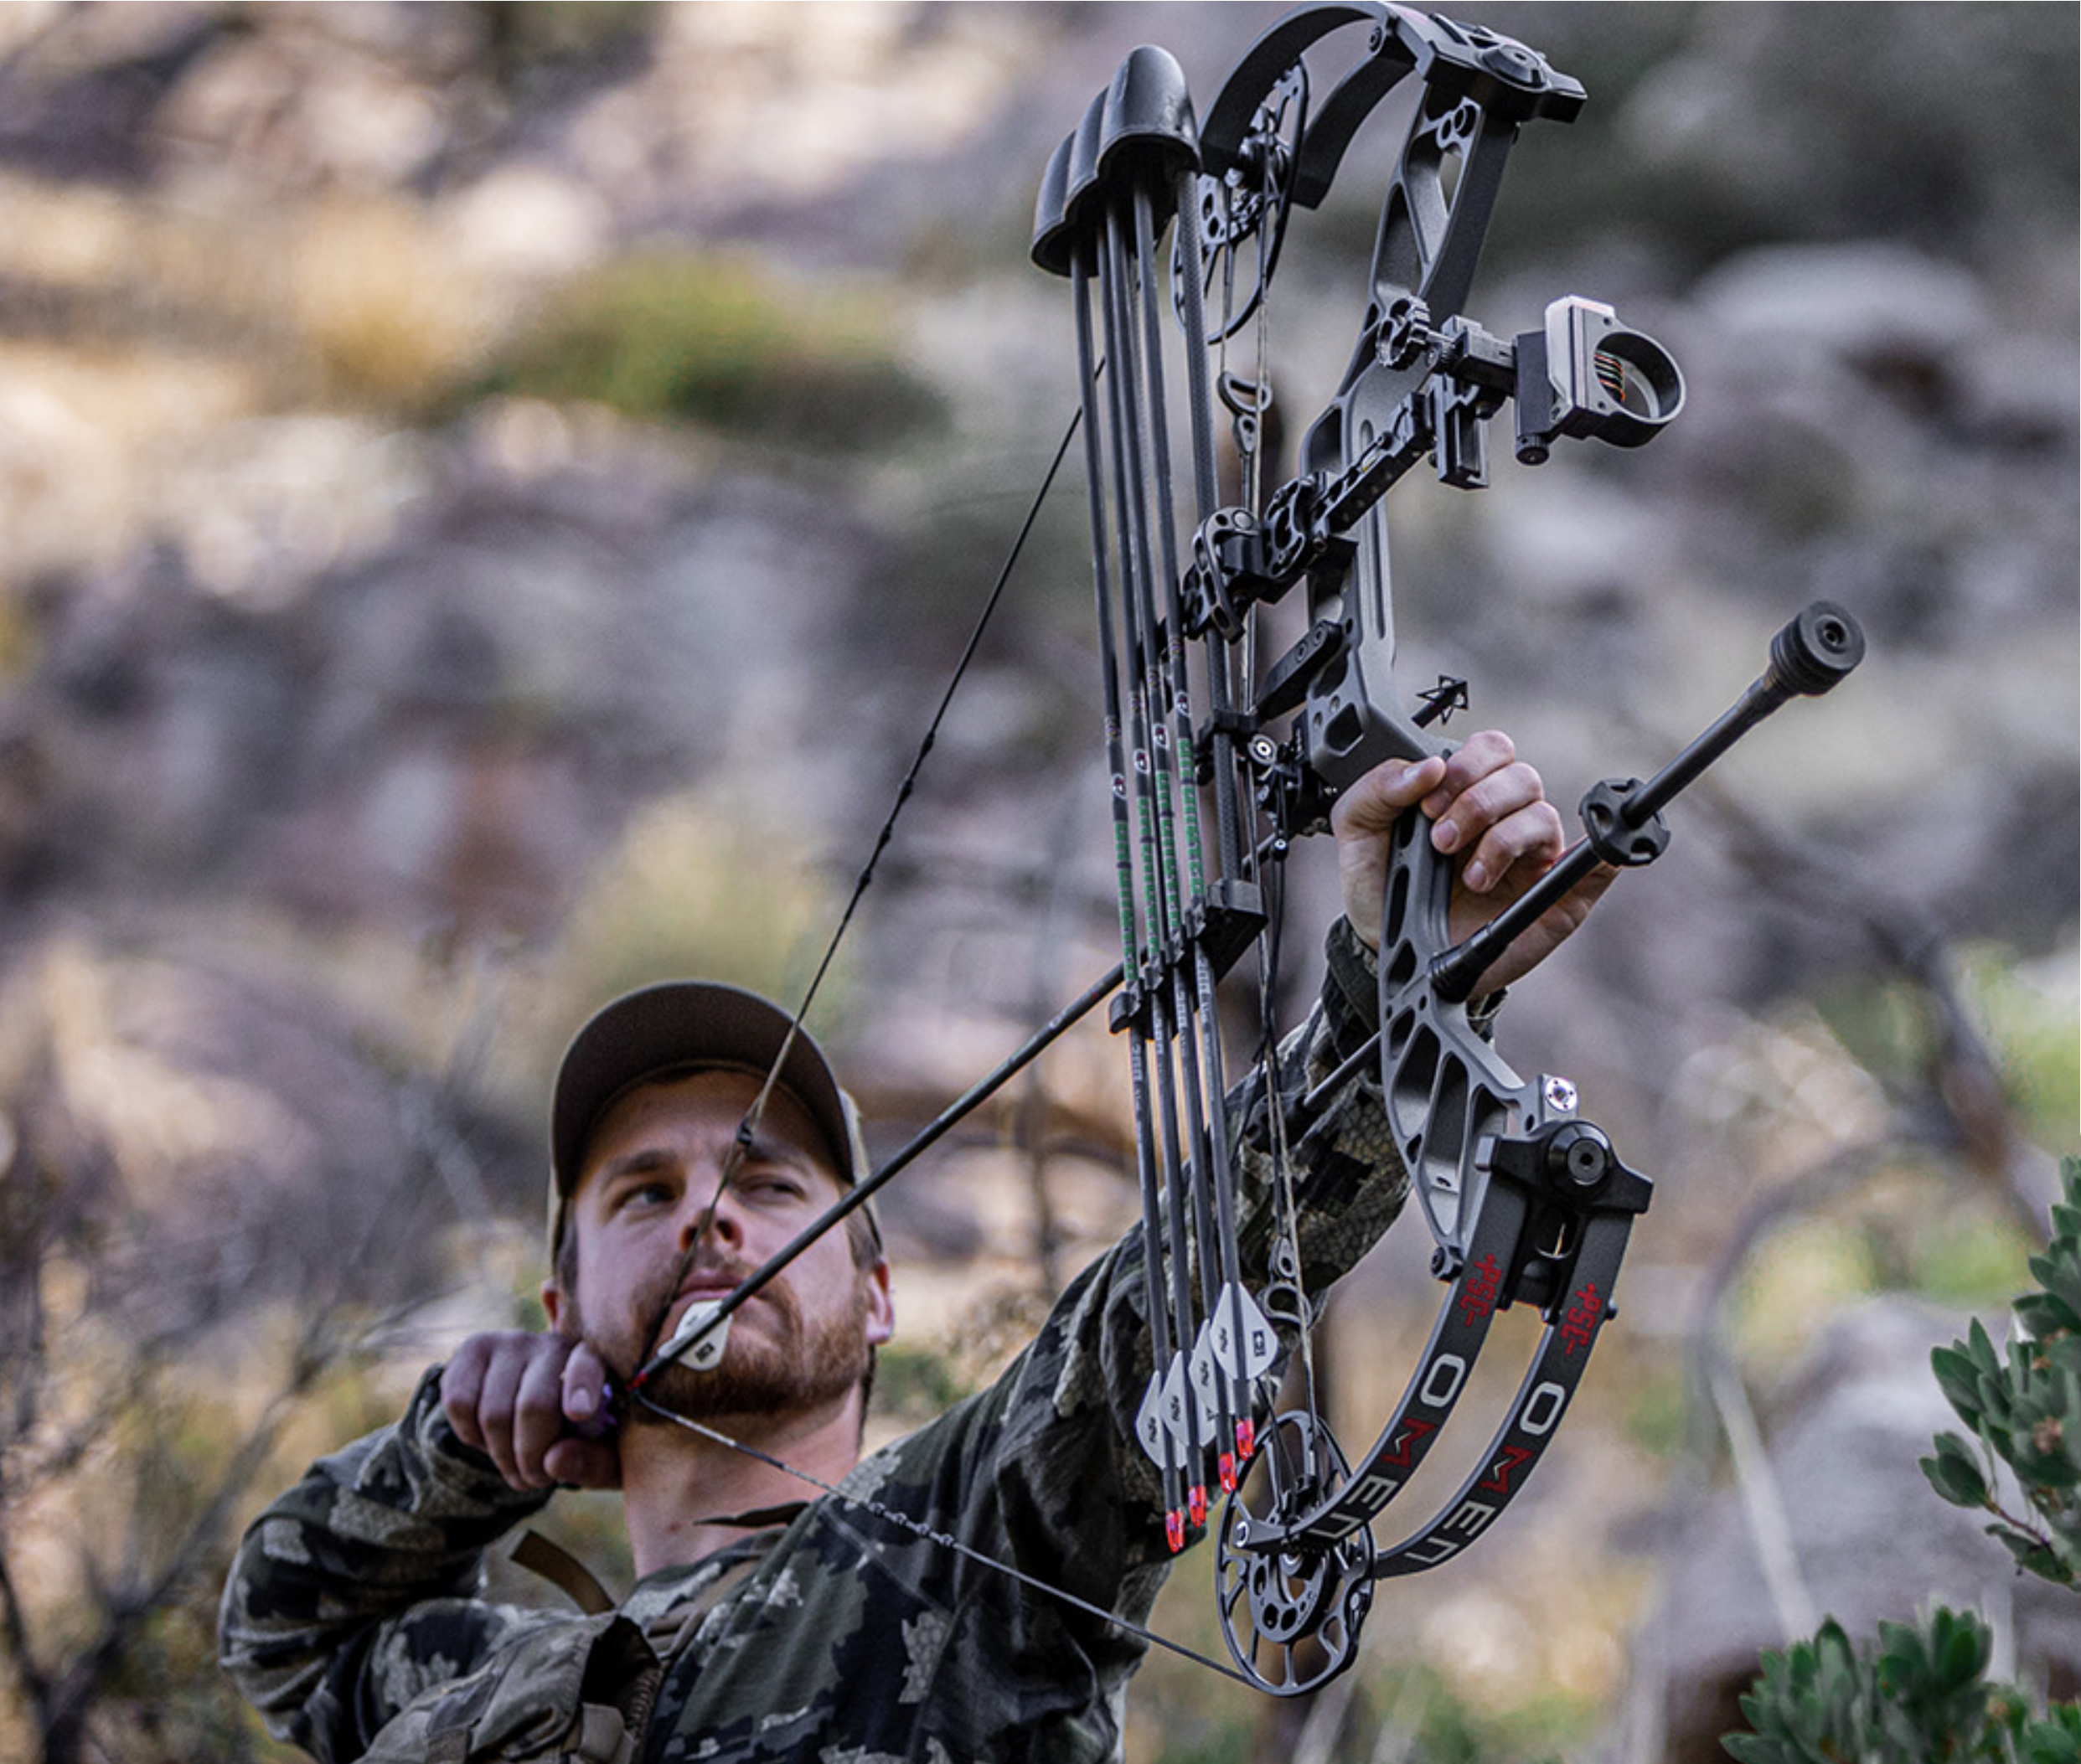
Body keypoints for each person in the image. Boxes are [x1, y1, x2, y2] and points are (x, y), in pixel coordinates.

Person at [219, 734, 1610, 1764]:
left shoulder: (977, 1542)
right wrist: (457, 1451)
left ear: (879, 1293)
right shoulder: (480, 1672)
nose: (707, 1212)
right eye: (641, 1193)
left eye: (766, 1182)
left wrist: (1401, 987)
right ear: (560, 1303)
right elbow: (281, 1629)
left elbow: (1168, 1319)